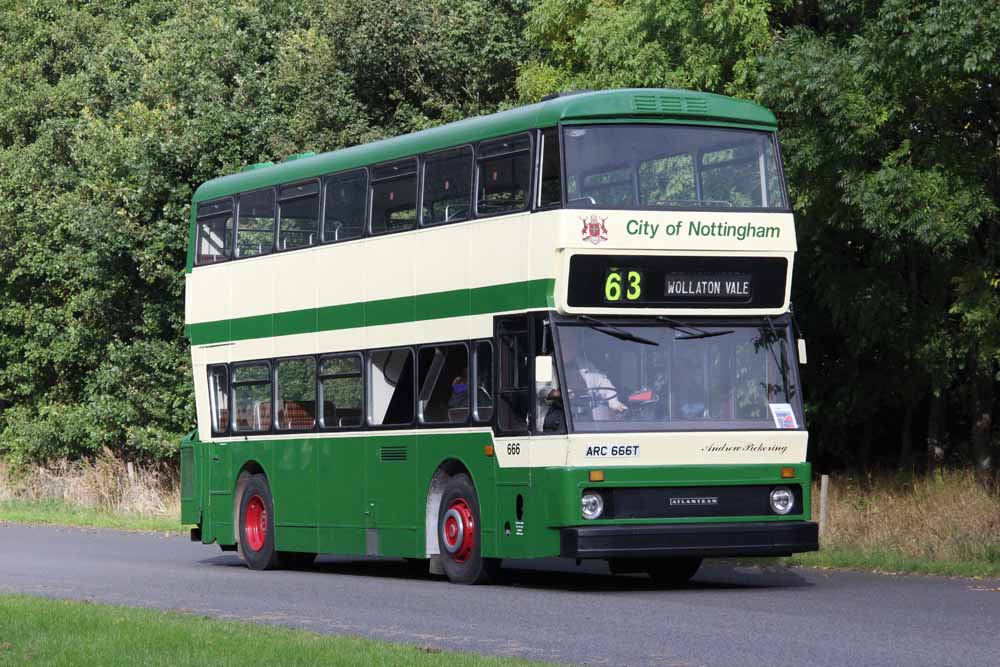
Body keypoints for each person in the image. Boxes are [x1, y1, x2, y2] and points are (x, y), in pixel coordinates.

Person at [537, 332, 626, 430]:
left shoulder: (583, 363)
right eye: (568, 343)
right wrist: (561, 394)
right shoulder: (544, 363)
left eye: (574, 344)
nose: (572, 347)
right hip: (554, 414)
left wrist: (614, 402)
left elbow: (602, 381)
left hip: (584, 415)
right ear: (558, 344)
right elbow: (540, 390)